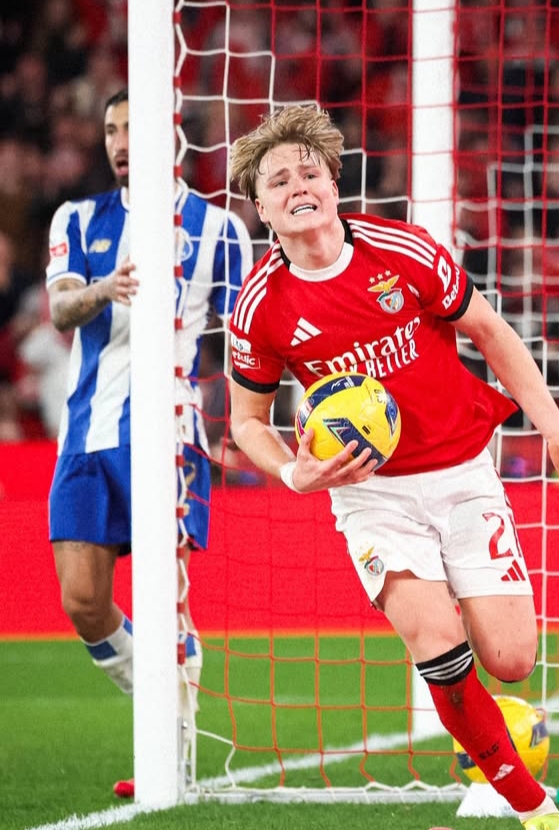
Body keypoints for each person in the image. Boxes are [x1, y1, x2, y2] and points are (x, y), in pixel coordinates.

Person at [226, 104, 559, 830]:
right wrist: (292, 474)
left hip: (464, 470)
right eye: (278, 181)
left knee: (508, 660)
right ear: (261, 207)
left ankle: (485, 724)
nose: (297, 185)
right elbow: (246, 422)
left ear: (334, 183)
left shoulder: (400, 251)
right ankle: (535, 809)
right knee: (437, 644)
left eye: (309, 171)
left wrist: (558, 433)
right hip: (371, 494)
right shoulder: (260, 308)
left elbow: (491, 332)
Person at [46, 89, 253, 796]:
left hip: (168, 429)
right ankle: (161, 707)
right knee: (82, 602)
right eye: (110, 129)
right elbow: (61, 308)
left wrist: (249, 424)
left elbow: (251, 338)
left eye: (134, 127)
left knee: (166, 597)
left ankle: (172, 750)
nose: (120, 141)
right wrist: (106, 286)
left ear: (172, 132)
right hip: (86, 432)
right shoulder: (77, 218)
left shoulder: (220, 229)